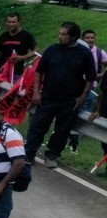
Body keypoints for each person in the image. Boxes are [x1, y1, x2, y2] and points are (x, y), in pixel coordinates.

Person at [24, 22, 97, 169]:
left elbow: (90, 79)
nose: (60, 37)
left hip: (70, 100)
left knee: (62, 130)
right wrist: (37, 92)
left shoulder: (84, 54)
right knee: (38, 126)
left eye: (64, 34)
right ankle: (29, 154)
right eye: (60, 33)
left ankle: (52, 155)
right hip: (48, 97)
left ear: (74, 36)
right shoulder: (52, 50)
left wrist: (82, 97)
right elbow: (39, 72)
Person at [68, 29, 107, 153]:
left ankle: (76, 138)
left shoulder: (99, 52)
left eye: (92, 37)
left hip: (91, 86)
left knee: (84, 110)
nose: (90, 40)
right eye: (87, 38)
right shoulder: (77, 51)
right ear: (82, 39)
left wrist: (101, 74)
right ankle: (72, 135)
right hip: (75, 86)